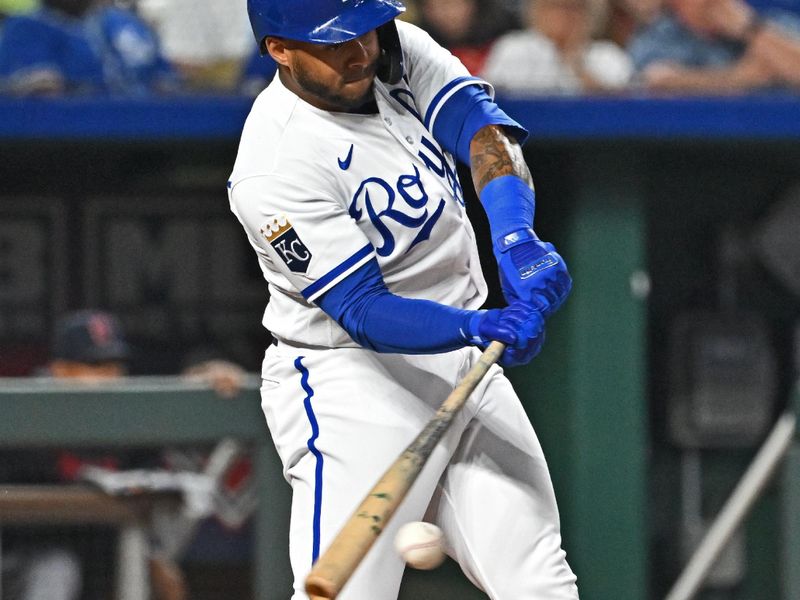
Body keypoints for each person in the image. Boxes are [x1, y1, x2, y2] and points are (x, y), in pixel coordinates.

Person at [227, 1, 576, 598]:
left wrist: (515, 237)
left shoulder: (393, 48)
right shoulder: (273, 167)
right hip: (353, 381)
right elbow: (362, 309)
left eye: (363, 29)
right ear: (279, 50)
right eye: (333, 41)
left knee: (539, 583)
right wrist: (476, 324)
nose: (359, 50)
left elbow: (484, 129)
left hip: (466, 357)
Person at [1, 310, 253, 600]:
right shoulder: (23, 416)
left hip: (94, 565)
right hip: (20, 558)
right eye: (94, 365)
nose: (110, 377)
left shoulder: (130, 422)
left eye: (115, 365)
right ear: (61, 369)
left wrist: (204, 377)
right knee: (56, 570)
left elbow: (172, 400)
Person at [0, 0, 178, 95]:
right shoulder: (28, 27)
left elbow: (167, 84)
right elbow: (41, 93)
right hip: (78, 145)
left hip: (154, 138)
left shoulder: (123, 24)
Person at [628, 0, 800, 93]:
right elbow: (657, 82)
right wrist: (738, 79)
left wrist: (750, 29)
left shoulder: (776, 27)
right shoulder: (655, 39)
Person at [481, 0, 633, 95]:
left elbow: (619, 107)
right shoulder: (511, 48)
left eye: (573, 7)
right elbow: (487, 101)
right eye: (554, 6)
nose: (563, 15)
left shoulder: (608, 55)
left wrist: (573, 59)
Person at [415, 0, 519, 74]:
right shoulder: (417, 45)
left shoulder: (510, 37)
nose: (439, 14)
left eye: (448, 3)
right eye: (430, 7)